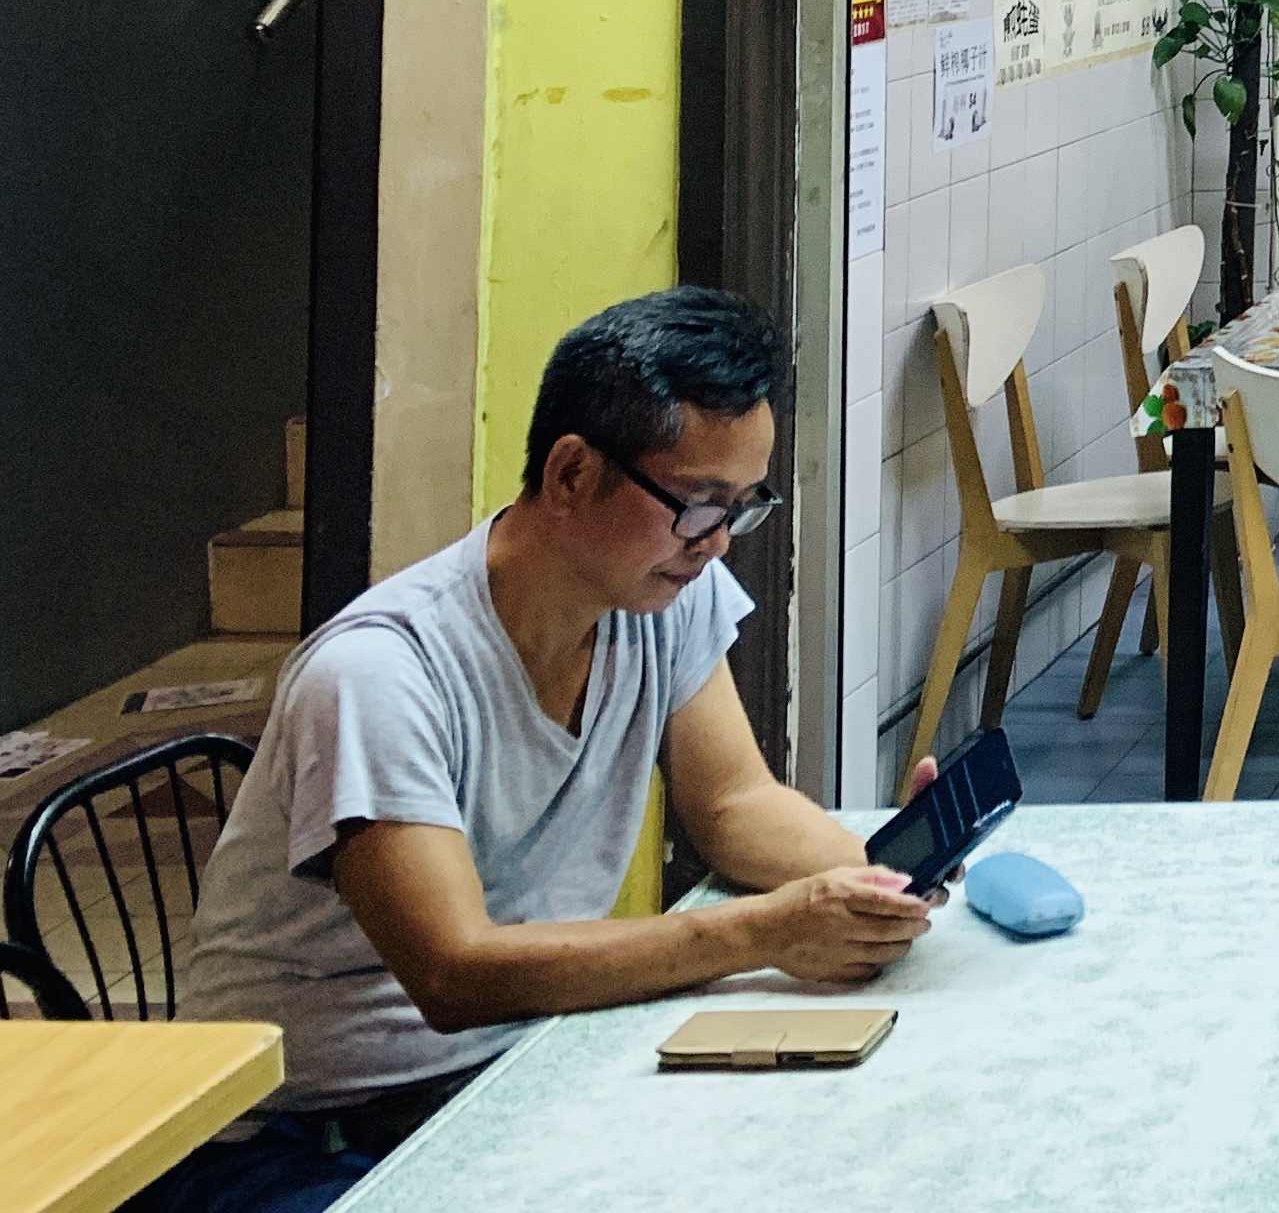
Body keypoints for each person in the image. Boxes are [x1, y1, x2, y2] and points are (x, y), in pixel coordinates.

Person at [169, 290, 935, 1210]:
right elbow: (454, 971)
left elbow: (735, 807)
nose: (717, 544)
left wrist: (884, 871)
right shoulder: (378, 674)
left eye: (742, 508)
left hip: (512, 1067)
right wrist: (761, 932)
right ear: (571, 474)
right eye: (697, 505)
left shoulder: (663, 596)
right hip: (305, 1136)